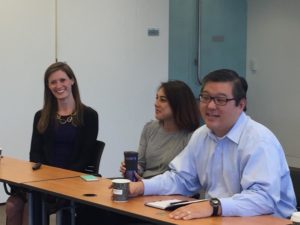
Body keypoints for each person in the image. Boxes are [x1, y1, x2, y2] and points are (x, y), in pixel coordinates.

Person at [128, 69, 296, 220]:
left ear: (241, 104)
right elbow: (181, 179)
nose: (210, 106)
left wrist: (212, 205)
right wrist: (141, 187)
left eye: (221, 100)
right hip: (218, 217)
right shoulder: (201, 135)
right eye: (205, 97)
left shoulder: (259, 140)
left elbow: (263, 199)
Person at [5, 62, 99, 225]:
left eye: (62, 80)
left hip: (72, 180)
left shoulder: (89, 115)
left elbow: (85, 158)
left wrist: (57, 179)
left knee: (30, 209)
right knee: (12, 205)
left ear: (72, 81)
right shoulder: (41, 116)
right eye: (53, 82)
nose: (58, 85)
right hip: (42, 180)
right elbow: (34, 154)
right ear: (48, 86)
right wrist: (45, 179)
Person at [120, 80, 200, 180]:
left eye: (162, 100)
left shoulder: (193, 136)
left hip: (170, 191)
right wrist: (132, 169)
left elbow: (185, 178)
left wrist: (148, 185)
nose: (156, 104)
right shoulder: (149, 128)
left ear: (178, 104)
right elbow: (141, 164)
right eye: (156, 98)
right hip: (143, 186)